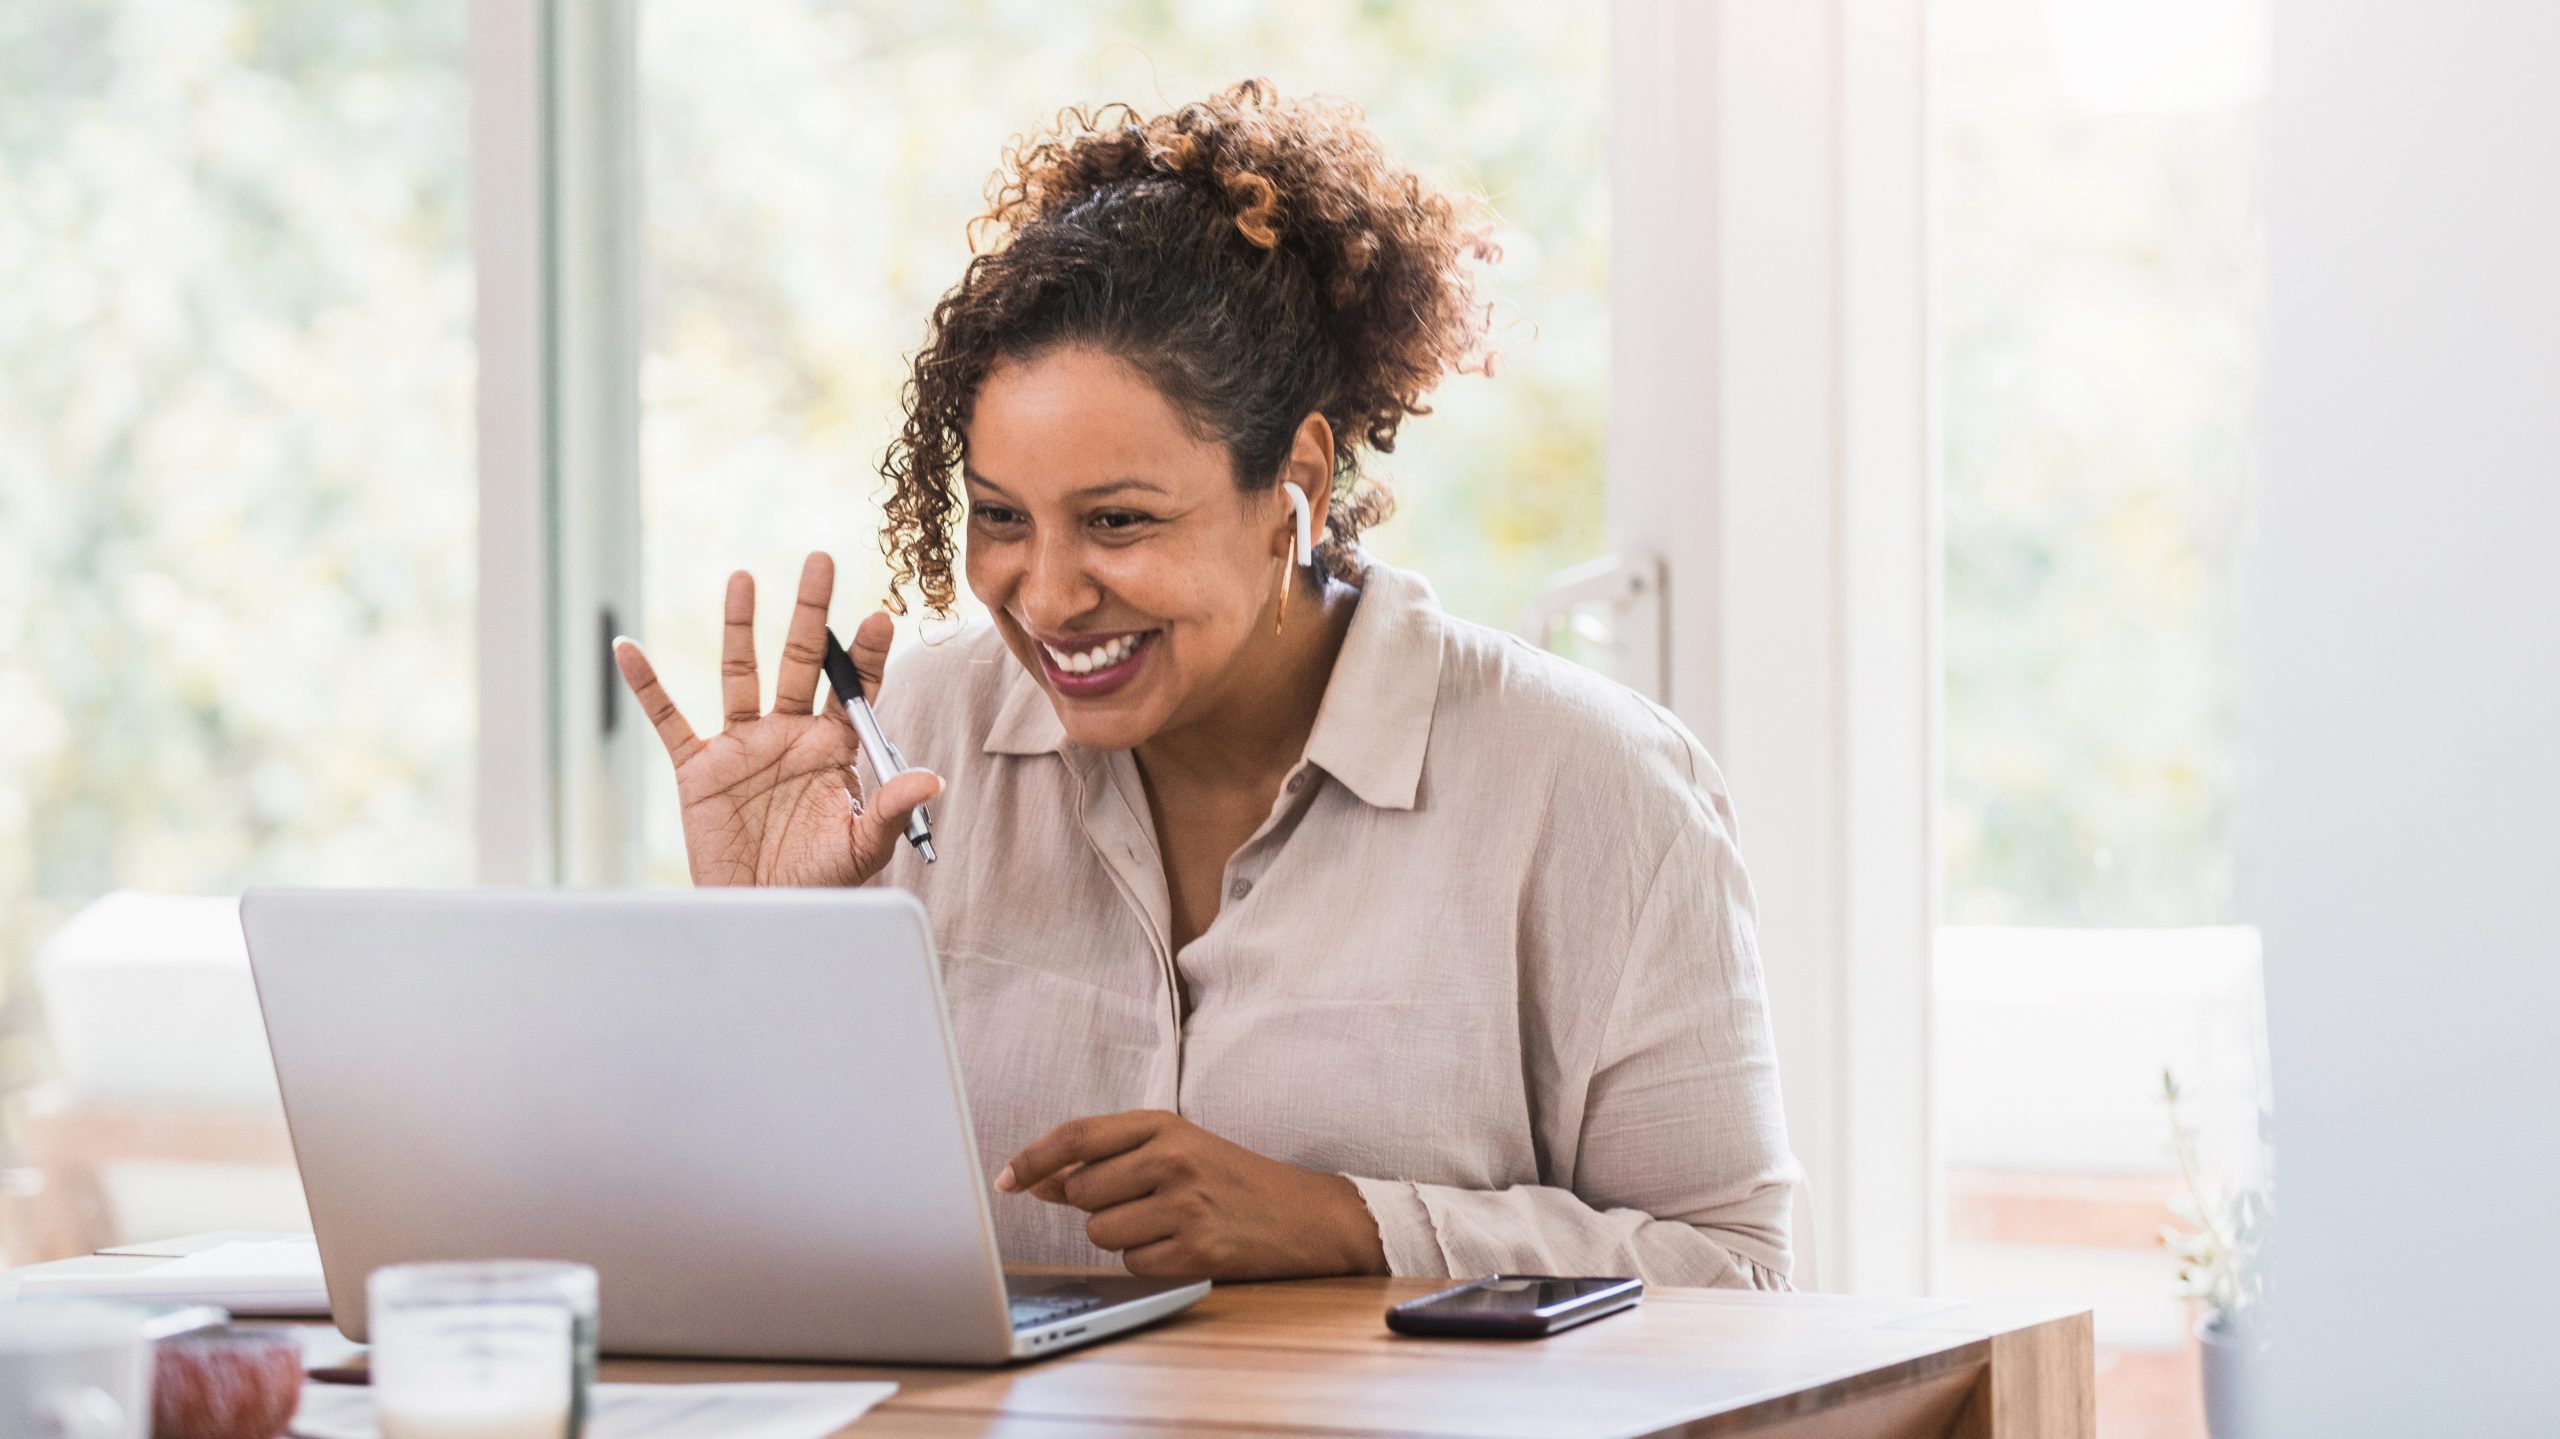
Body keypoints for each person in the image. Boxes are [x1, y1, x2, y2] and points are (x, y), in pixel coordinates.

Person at [613, 80, 1797, 1288]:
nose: (1049, 594)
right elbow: (754, 1248)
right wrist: (755, 947)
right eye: (1004, 519)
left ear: (1295, 481)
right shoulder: (908, 743)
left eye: (1119, 520)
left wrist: (1347, 1221)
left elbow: (1742, 1271)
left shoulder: (1588, 786)